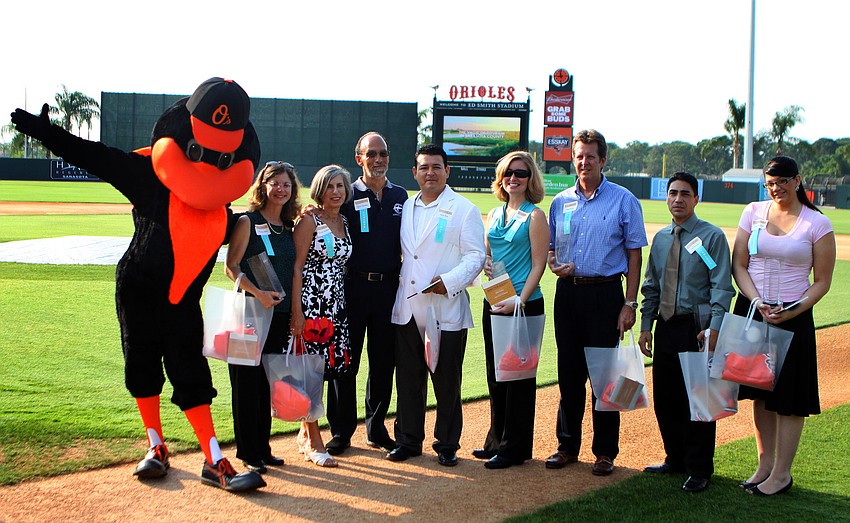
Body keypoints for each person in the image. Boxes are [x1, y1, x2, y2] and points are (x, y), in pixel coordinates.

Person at [11, 78, 265, 492]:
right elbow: (93, 155)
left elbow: (248, 234)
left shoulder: (224, 211)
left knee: (191, 372)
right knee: (141, 364)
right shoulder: (148, 174)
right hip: (138, 291)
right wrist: (45, 132)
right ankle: (156, 446)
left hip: (182, 301)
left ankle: (214, 460)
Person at [730, 156, 835, 497]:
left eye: (782, 182)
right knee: (759, 392)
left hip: (794, 315)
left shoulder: (817, 223)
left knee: (790, 397)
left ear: (798, 180)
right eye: (770, 183)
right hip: (754, 308)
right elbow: (739, 264)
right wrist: (756, 301)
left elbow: (822, 281)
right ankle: (764, 465)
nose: (776, 189)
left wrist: (794, 310)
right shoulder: (753, 211)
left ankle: (781, 474)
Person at [545, 129, 648, 476]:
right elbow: (551, 249)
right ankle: (567, 446)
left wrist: (629, 304)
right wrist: (552, 262)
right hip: (568, 293)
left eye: (590, 156)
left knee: (604, 377)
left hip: (606, 295)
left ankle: (605, 452)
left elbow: (635, 256)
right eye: (579, 156)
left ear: (603, 160)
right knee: (568, 375)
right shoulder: (560, 201)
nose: (584, 162)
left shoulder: (623, 200)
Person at [388, 144, 486, 466]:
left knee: (446, 383)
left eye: (436, 167)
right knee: (408, 379)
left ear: (447, 171)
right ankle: (408, 440)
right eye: (423, 167)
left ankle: (446, 444)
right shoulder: (406, 205)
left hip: (445, 310)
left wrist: (451, 282)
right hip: (408, 307)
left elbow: (475, 256)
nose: (430, 172)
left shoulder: (464, 209)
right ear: (415, 172)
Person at [638, 172, 735, 493]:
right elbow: (650, 285)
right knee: (666, 399)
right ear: (666, 198)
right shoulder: (662, 238)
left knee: (697, 400)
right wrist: (645, 327)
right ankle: (674, 458)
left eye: (685, 194)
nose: (677, 199)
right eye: (672, 193)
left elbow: (721, 287)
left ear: (696, 199)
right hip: (666, 326)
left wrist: (715, 329)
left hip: (697, 328)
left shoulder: (711, 237)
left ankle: (699, 469)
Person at [324, 132, 407, 456]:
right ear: (359, 158)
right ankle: (341, 432)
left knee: (383, 363)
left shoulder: (401, 195)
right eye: (370, 153)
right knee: (345, 362)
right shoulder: (346, 194)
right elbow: (325, 217)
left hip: (389, 289)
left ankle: (376, 428)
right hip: (353, 288)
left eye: (382, 153)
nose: (378, 159)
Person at [473, 151, 549, 469]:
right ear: (501, 178)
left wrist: (521, 299)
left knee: (518, 377)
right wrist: (487, 262)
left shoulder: (535, 216)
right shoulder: (495, 213)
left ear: (530, 178)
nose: (513, 178)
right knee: (497, 375)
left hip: (523, 306)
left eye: (520, 173)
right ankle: (497, 440)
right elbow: (490, 252)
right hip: (495, 301)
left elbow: (538, 263)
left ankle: (515, 447)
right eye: (508, 173)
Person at [224, 161, 301, 473]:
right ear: (263, 186)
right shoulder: (247, 221)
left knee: (267, 384)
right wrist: (257, 293)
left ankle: (263, 447)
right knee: (245, 383)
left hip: (280, 315)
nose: (280, 189)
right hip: (250, 313)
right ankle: (248, 451)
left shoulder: (289, 228)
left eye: (286, 184)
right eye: (275, 183)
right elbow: (231, 267)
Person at [291, 164, 354, 468]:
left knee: (328, 372)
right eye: (330, 186)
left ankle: (305, 434)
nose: (336, 191)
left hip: (337, 308)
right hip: (312, 306)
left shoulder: (343, 219)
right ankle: (315, 443)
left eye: (341, 186)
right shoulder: (309, 220)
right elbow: (297, 268)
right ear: (320, 189)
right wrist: (297, 312)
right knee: (310, 375)